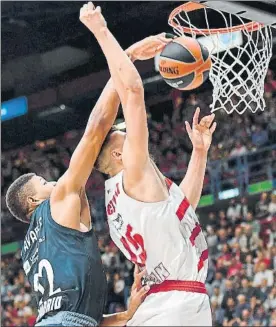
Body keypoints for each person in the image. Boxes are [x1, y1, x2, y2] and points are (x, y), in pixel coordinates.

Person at [5, 4, 170, 325]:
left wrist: (127, 314)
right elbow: (95, 130)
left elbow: (77, 317)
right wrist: (129, 56)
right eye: (45, 182)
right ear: (35, 201)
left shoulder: (32, 251)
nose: (56, 182)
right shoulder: (59, 201)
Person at [88, 3, 216, 326]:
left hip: (166, 303)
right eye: (121, 134)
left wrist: (198, 153)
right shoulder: (133, 171)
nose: (127, 131)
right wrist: (112, 40)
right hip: (174, 306)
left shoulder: (124, 194)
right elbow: (131, 91)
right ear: (119, 156)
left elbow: (182, 207)